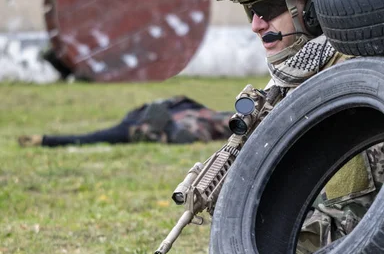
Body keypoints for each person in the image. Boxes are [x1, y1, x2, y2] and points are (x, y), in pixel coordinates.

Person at [206, 0, 384, 254]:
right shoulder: (289, 81)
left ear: (311, 8)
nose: (256, 25)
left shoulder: (361, 77)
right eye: (250, 10)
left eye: (267, 8)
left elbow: (363, 217)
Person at [17, 96, 234, 147]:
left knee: (223, 121)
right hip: (190, 119)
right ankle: (170, 131)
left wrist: (44, 139)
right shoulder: (129, 126)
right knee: (224, 122)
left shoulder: (131, 122)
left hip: (189, 117)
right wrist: (46, 140)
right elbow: (90, 138)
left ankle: (171, 131)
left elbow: (90, 137)